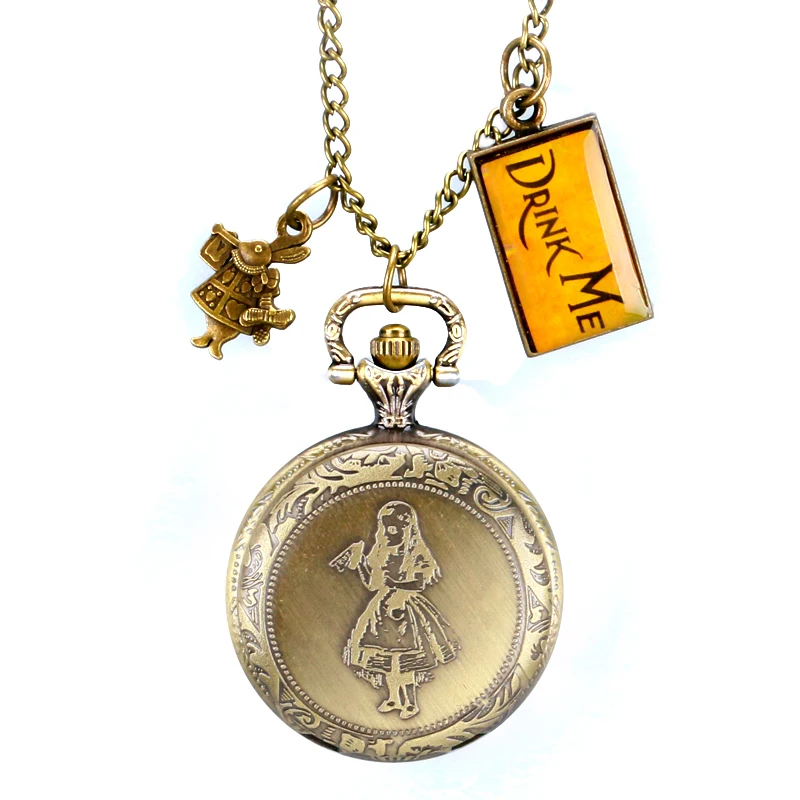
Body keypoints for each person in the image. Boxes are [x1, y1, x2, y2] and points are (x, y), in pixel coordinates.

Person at [330, 501, 459, 720]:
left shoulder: (416, 553)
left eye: (394, 528)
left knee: (405, 659)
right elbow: (372, 584)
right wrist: (360, 564)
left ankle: (410, 702)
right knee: (387, 660)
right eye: (385, 527)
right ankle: (393, 698)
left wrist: (395, 584)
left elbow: (419, 583)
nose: (389, 532)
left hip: (406, 608)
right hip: (380, 609)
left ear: (406, 527)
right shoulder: (380, 551)